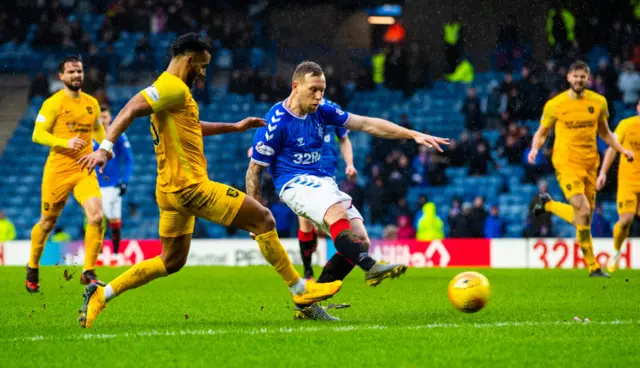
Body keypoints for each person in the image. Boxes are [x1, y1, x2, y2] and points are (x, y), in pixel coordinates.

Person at [77, 33, 342, 328]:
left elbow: (192, 126)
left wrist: (235, 127)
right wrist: (105, 148)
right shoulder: (170, 86)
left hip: (168, 190)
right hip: (191, 187)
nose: (203, 73)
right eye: (202, 66)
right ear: (189, 61)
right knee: (264, 219)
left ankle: (102, 294)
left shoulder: (175, 94)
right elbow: (130, 109)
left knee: (172, 260)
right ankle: (301, 291)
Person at [247, 61, 449, 320]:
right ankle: (371, 266)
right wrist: (255, 215)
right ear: (295, 87)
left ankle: (307, 304)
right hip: (293, 183)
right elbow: (254, 170)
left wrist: (411, 134)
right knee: (338, 214)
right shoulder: (276, 122)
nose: (319, 96)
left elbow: (366, 124)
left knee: (360, 240)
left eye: (322, 89)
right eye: (313, 90)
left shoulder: (324, 110)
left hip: (322, 180)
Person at [528, 60, 634, 278]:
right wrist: (534, 149)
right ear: (568, 78)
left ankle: (548, 205)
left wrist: (622, 150)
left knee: (582, 219)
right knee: (583, 210)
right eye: (575, 76)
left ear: (588, 79)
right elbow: (542, 132)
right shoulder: (555, 104)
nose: (578, 80)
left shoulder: (598, 103)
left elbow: (605, 134)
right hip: (566, 162)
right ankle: (593, 265)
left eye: (582, 76)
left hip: (590, 163)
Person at [27, 55, 106, 293]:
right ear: (61, 76)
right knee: (47, 222)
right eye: (71, 72)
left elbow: (100, 130)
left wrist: (104, 150)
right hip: (58, 170)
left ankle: (88, 271)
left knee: (96, 217)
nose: (76, 76)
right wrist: (63, 142)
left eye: (79, 71)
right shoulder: (53, 103)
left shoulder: (91, 103)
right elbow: (37, 134)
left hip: (84, 170)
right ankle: (32, 266)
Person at [297, 97, 357, 282]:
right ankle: (308, 271)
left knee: (335, 222)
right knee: (305, 222)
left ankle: (330, 274)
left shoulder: (332, 109)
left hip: (328, 175)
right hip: (304, 173)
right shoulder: (297, 108)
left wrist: (350, 164)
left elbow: (344, 138)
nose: (316, 93)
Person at [596, 99, 640, 272]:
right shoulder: (626, 125)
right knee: (625, 222)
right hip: (628, 182)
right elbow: (612, 148)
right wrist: (603, 172)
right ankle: (615, 252)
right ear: (637, 107)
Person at [92, 104, 133, 254]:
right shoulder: (90, 135)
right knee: (97, 221)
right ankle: (99, 256)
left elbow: (129, 159)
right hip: (94, 186)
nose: (103, 119)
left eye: (105, 116)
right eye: (100, 117)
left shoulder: (118, 135)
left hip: (113, 185)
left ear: (110, 118)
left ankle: (116, 254)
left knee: (114, 221)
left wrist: (125, 181)